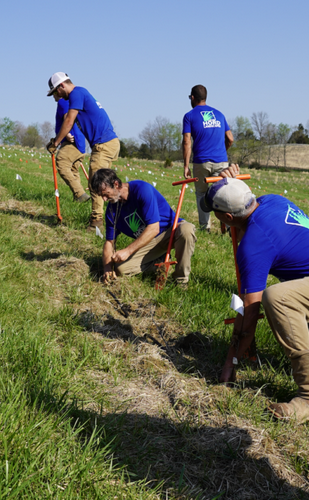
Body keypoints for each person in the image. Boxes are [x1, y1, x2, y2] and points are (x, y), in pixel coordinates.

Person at [204, 164, 309, 423]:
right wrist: (231, 185)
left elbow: (249, 311)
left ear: (227, 219)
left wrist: (232, 361)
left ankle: (308, 396)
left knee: (279, 298)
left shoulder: (253, 246)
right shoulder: (272, 200)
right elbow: (246, 213)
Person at [91, 168, 196, 286]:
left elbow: (154, 228)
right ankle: (157, 263)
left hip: (170, 231)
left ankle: (180, 281)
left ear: (116, 184)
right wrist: (107, 267)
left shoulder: (141, 190)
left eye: (106, 194)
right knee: (121, 269)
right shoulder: (111, 211)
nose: (104, 199)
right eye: (101, 196)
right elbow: (109, 242)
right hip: (150, 241)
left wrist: (127, 251)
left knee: (187, 230)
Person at [46, 72, 120, 231]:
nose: (57, 96)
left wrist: (56, 143)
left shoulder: (76, 94)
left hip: (104, 144)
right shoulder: (81, 92)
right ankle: (116, 215)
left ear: (61, 86)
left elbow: (69, 120)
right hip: (109, 143)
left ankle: (96, 223)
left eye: (55, 92)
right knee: (104, 183)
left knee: (96, 183)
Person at [181, 85, 234, 232]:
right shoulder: (219, 114)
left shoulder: (189, 116)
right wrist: (222, 151)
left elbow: (187, 141)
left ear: (192, 97)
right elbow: (230, 138)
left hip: (201, 162)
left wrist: (186, 166)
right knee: (223, 194)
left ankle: (206, 228)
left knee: (201, 194)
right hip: (221, 162)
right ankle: (229, 227)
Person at [52, 93, 89, 202]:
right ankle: (79, 199)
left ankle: (80, 194)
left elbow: (67, 118)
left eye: (53, 93)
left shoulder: (63, 101)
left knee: (62, 163)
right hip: (81, 144)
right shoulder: (72, 102)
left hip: (72, 142)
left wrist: (66, 133)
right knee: (73, 170)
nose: (53, 96)